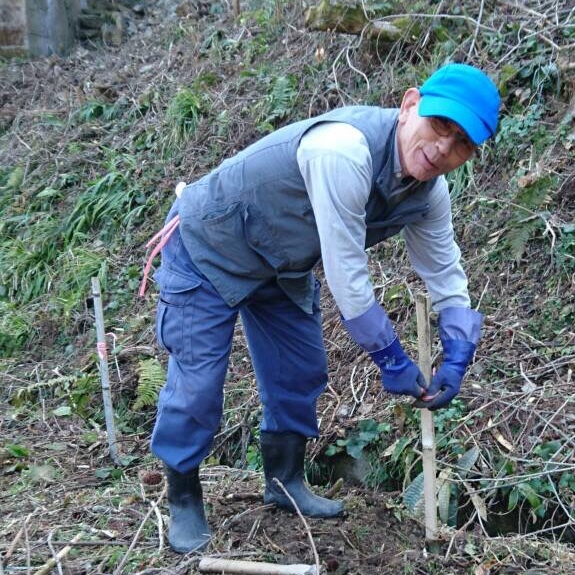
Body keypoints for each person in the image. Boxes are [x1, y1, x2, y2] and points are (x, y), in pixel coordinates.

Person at [140, 63, 501, 553]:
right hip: (210, 244)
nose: (443, 149)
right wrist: (391, 357)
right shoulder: (343, 151)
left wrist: (459, 353)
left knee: (300, 370)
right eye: (440, 126)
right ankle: (182, 497)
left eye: (462, 144)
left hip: (280, 264)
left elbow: (445, 273)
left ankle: (284, 482)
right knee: (199, 383)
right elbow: (347, 275)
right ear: (410, 105)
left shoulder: (428, 195)